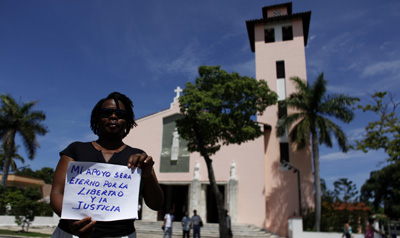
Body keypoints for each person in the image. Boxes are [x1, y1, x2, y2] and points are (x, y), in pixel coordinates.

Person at [50, 92, 164, 238]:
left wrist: (147, 175)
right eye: (106, 112)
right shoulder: (75, 150)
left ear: (128, 121)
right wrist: (72, 221)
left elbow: (156, 204)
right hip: (70, 233)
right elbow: (57, 193)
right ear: (97, 118)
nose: (113, 116)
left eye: (121, 114)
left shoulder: (139, 156)